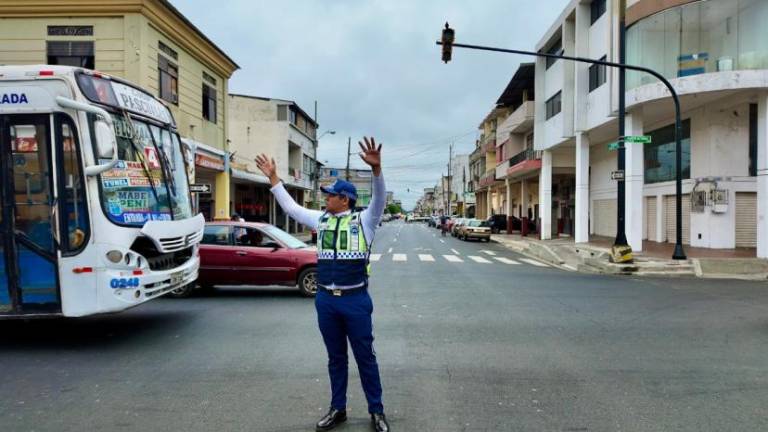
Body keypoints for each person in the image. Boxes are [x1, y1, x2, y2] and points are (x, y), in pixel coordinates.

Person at [255, 138, 390, 432]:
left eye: (330, 195)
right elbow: (291, 208)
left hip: (355, 299)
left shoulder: (365, 221)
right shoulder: (322, 219)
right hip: (326, 300)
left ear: (345, 199)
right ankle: (337, 408)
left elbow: (379, 201)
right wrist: (274, 178)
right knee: (335, 358)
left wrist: (377, 171)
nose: (325, 198)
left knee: (365, 357)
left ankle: (376, 410)